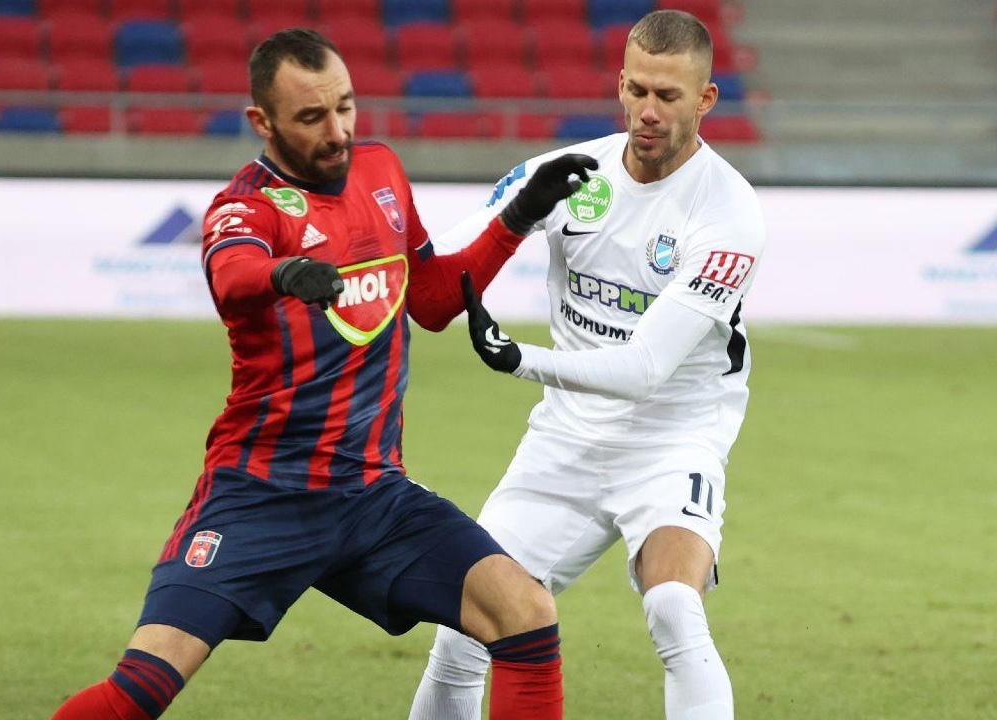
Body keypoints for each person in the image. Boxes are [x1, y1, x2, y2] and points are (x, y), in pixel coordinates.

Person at [49, 28, 599, 720]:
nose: (337, 130)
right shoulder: (247, 206)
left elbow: (429, 301)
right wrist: (284, 272)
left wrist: (518, 215)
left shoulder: (382, 172)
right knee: (142, 688)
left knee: (524, 614)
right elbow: (231, 274)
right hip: (261, 494)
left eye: (345, 107)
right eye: (312, 117)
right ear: (263, 121)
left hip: (372, 494)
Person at [408, 10, 766, 720]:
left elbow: (645, 369)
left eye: (668, 96)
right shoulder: (569, 173)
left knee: (673, 607)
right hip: (564, 442)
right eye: (636, 90)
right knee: (466, 630)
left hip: (673, 437)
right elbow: (438, 271)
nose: (647, 112)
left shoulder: (729, 214)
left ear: (706, 99)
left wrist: (519, 360)